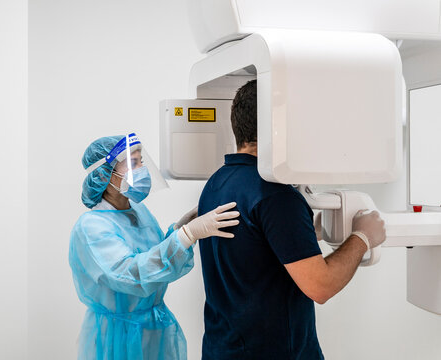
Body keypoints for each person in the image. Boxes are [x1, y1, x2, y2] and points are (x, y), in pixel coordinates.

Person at [197, 80, 387, 359]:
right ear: (279, 127)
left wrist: (308, 233)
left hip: (222, 349)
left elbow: (253, 249)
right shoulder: (275, 195)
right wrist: (362, 238)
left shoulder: (218, 182)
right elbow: (320, 286)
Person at [69, 133, 240, 360]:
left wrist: (180, 228)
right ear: (104, 175)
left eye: (141, 161)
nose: (141, 169)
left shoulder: (137, 211)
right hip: (116, 337)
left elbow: (153, 256)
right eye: (132, 163)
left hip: (152, 330)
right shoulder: (91, 227)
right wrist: (187, 235)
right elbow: (133, 275)